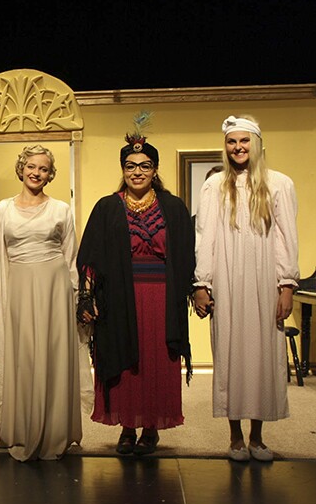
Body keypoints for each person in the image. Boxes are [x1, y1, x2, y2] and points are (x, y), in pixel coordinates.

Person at [77, 123, 195, 456]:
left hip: (161, 298)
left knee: (156, 361)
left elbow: (187, 255)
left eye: (144, 166)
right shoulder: (106, 207)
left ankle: (151, 428)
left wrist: (195, 292)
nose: (137, 171)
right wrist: (87, 297)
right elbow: (90, 256)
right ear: (123, 170)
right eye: (131, 166)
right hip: (118, 299)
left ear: (155, 170)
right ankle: (128, 427)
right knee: (125, 361)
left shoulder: (173, 207)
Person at [193, 115, 299, 462]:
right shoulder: (214, 186)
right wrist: (202, 283)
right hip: (226, 277)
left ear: (256, 143)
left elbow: (286, 238)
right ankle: (235, 436)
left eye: (244, 141)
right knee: (230, 353)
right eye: (231, 141)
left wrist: (286, 284)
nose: (238, 147)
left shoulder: (280, 184)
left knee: (264, 355)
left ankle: (257, 437)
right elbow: (204, 237)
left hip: (265, 278)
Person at [0, 145, 92, 461]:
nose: (37, 173)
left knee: (53, 355)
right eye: (31, 166)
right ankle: (20, 428)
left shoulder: (61, 209)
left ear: (50, 174)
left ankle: (55, 430)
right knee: (23, 356)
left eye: (44, 169)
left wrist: (76, 299)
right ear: (22, 168)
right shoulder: (1, 210)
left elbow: (71, 257)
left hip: (55, 288)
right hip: (17, 286)